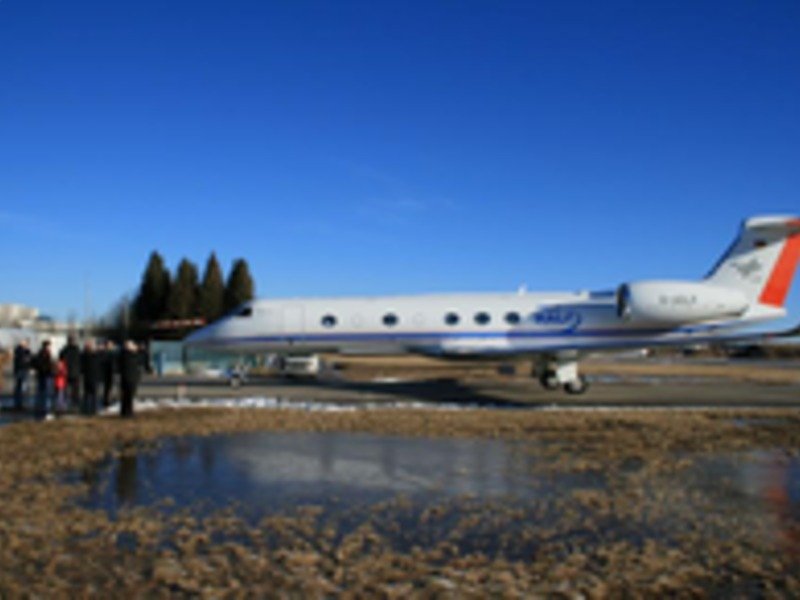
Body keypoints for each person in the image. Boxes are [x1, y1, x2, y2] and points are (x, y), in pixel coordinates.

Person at [32, 340, 54, 418]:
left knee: (41, 394)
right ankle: (45, 411)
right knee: (46, 395)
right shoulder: (44, 354)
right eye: (49, 346)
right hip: (45, 376)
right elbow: (43, 365)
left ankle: (40, 410)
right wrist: (49, 368)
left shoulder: (41, 353)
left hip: (43, 376)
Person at [119, 340, 140, 418]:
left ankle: (124, 412)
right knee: (129, 396)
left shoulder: (124, 355)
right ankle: (128, 412)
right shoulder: (128, 355)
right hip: (129, 378)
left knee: (126, 396)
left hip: (128, 378)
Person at [59, 335, 81, 411]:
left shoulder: (64, 350)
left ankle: (67, 405)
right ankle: (73, 405)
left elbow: (60, 361)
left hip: (68, 373)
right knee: (74, 391)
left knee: (67, 391)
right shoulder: (77, 350)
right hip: (73, 373)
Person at [81, 340, 101, 415]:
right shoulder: (93, 356)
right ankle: (92, 410)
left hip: (89, 377)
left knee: (88, 395)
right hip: (92, 377)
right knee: (92, 395)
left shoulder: (84, 355)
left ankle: (88, 409)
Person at [12, 339, 31, 411]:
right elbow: (21, 360)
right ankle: (18, 404)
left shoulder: (27, 351)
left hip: (24, 370)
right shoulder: (18, 350)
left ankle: (22, 403)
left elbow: (29, 359)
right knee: (19, 387)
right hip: (20, 370)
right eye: (25, 343)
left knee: (24, 388)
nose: (26, 344)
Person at [101, 340, 117, 407]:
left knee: (109, 387)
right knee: (107, 388)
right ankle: (107, 401)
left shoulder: (112, 353)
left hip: (111, 372)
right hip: (107, 372)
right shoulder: (106, 353)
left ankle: (108, 400)